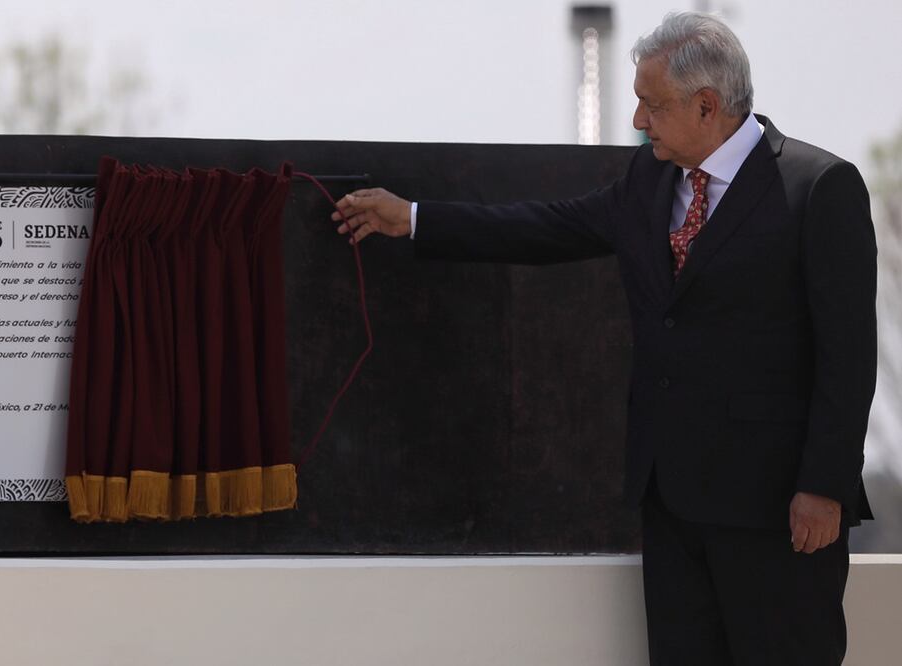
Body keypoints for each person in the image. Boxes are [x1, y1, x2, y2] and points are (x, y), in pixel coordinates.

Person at [332, 11, 877, 666]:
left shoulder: (817, 188)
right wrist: (414, 219)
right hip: (670, 503)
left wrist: (824, 486)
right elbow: (544, 228)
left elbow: (846, 354)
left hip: (777, 512)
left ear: (706, 106)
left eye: (651, 104)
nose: (637, 121)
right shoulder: (647, 180)